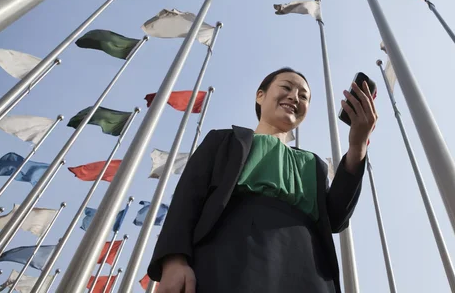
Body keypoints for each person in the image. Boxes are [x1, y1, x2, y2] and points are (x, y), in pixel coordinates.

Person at [148, 67, 378, 293]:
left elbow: (336, 217)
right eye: (286, 87)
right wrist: (174, 261)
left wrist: (357, 146)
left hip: (308, 270)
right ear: (260, 95)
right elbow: (188, 199)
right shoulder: (224, 141)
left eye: (303, 96)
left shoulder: (313, 164)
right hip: (228, 262)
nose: (294, 97)